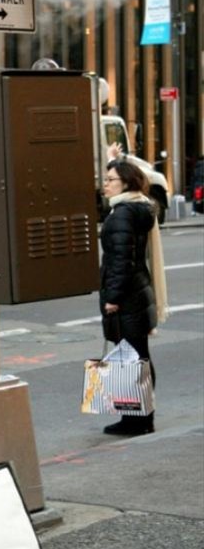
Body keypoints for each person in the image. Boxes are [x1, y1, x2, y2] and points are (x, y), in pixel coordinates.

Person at [100, 158, 168, 436]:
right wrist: (112, 155)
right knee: (137, 357)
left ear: (125, 183)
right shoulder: (139, 207)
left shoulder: (122, 214)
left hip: (127, 297)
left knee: (130, 358)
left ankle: (135, 420)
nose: (105, 184)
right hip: (139, 291)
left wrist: (113, 297)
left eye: (110, 180)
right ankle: (140, 417)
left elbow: (121, 260)